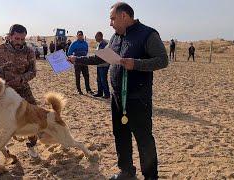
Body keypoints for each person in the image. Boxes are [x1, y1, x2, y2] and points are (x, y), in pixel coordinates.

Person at [68, 2, 168, 179]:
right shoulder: (115, 37)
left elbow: (162, 60)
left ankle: (151, 176)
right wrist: (78, 59)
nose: (110, 23)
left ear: (124, 16)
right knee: (120, 134)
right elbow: (102, 58)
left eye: (113, 18)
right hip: (116, 97)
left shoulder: (148, 34)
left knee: (144, 139)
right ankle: (126, 171)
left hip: (138, 98)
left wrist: (136, 63)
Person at [0, 24, 39, 158]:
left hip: (23, 89)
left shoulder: (29, 51)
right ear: (10, 36)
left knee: (34, 116)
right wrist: (3, 81)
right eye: (17, 38)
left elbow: (33, 71)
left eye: (22, 39)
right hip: (3, 90)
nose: (20, 42)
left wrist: (21, 79)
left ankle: (32, 145)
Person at [67, 30, 94, 95]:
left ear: (82, 35)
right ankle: (79, 90)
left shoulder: (85, 43)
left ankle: (88, 89)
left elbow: (86, 51)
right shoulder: (74, 43)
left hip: (85, 61)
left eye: (81, 35)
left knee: (86, 76)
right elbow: (69, 53)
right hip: (77, 62)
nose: (80, 36)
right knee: (77, 76)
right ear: (77, 36)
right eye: (79, 35)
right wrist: (72, 59)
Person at [92, 31, 110, 99]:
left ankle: (107, 94)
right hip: (99, 65)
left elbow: (103, 54)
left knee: (103, 80)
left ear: (100, 36)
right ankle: (100, 93)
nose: (95, 38)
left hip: (104, 65)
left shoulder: (104, 44)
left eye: (96, 36)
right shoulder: (99, 44)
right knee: (99, 79)